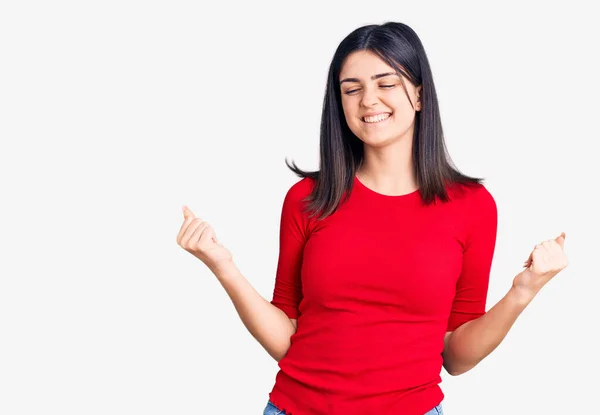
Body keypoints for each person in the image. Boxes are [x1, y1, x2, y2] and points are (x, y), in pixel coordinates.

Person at [176, 21, 569, 415]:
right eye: (352, 89)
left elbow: (457, 356)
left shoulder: (473, 206)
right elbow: (287, 339)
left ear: (418, 93)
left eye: (386, 84)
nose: (368, 100)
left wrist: (524, 290)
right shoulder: (307, 200)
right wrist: (222, 266)